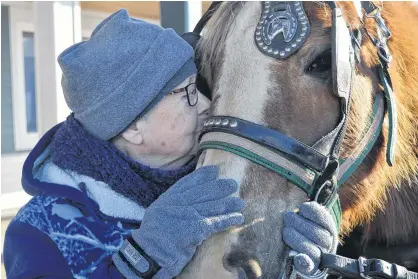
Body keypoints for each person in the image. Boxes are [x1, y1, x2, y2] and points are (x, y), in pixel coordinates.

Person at [3, 9, 337, 279]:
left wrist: (305, 271)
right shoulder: (41, 233)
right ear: (134, 127)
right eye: (188, 93)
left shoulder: (222, 180)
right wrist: (142, 258)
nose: (207, 105)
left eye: (201, 86)